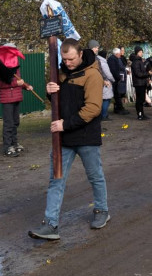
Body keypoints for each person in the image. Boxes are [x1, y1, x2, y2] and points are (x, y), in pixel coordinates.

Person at [29, 39, 109, 241]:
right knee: (56, 180)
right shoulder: (60, 73)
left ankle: (101, 210)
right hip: (63, 139)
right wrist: (50, 93)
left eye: (71, 59)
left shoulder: (92, 74)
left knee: (95, 176)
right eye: (64, 59)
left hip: (86, 136)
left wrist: (64, 124)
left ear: (80, 54)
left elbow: (93, 109)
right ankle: (50, 224)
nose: (67, 63)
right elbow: (61, 102)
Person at [0, 43, 33, 156]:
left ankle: (14, 143)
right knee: (9, 123)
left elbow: (18, 80)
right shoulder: (1, 67)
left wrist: (25, 86)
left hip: (16, 97)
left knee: (15, 122)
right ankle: (7, 147)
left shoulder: (14, 64)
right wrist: (16, 83)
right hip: (7, 99)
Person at [130, 46, 152, 120]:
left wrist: (147, 75)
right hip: (139, 83)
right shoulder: (136, 62)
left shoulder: (140, 61)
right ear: (137, 53)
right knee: (139, 100)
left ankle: (142, 114)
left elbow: (142, 71)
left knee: (142, 99)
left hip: (142, 83)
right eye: (140, 52)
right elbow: (138, 74)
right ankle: (140, 114)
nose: (141, 53)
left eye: (142, 52)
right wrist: (147, 74)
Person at [107, 46, 129, 114]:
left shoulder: (115, 59)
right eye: (119, 53)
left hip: (117, 79)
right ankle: (119, 108)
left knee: (118, 94)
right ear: (117, 54)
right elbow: (114, 70)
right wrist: (118, 77)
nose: (120, 54)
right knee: (117, 94)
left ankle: (119, 107)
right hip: (115, 80)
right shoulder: (113, 59)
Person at [95, 47, 114, 120]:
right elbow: (107, 73)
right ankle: (104, 115)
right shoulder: (103, 63)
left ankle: (102, 114)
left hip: (100, 82)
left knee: (103, 99)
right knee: (106, 99)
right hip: (106, 82)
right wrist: (112, 79)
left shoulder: (97, 61)